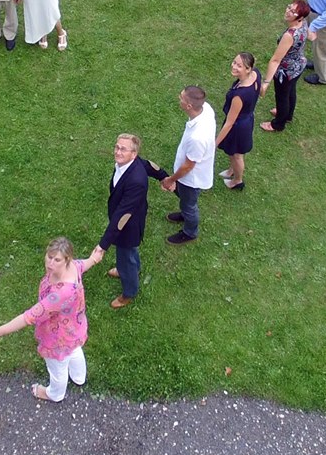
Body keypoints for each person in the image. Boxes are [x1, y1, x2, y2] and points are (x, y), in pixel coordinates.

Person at [0, 237, 103, 401]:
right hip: (75, 327)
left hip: (57, 338)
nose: (50, 263)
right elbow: (83, 265)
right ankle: (79, 377)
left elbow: (29, 317)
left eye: (57, 259)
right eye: (49, 256)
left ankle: (55, 394)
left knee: (58, 369)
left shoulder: (60, 294)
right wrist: (93, 259)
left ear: (66, 260)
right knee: (74, 349)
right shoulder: (72, 266)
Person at [95, 134, 167, 309]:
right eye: (117, 147)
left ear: (133, 154)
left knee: (125, 253)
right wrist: (164, 177)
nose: (118, 152)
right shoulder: (133, 162)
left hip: (128, 226)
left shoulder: (136, 181)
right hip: (127, 220)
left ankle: (129, 292)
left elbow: (122, 215)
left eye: (123, 149)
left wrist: (102, 246)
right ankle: (130, 269)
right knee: (128, 254)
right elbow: (149, 165)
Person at [162, 86, 216, 244]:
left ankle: (190, 231)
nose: (179, 99)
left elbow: (188, 166)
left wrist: (171, 180)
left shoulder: (198, 137)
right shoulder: (205, 109)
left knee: (189, 204)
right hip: (191, 172)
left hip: (192, 178)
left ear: (189, 106)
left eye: (181, 98)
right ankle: (185, 214)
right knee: (186, 200)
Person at [260, 0, 311, 133]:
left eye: (293, 11)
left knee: (282, 96)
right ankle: (288, 115)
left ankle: (278, 124)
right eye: (289, 7)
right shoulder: (303, 24)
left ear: (299, 17)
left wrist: (266, 82)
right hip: (299, 64)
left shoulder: (289, 36)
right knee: (290, 91)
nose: (288, 11)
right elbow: (311, 36)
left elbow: (276, 60)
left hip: (286, 71)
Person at [214, 53, 262, 191]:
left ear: (248, 69)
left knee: (237, 155)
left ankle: (237, 181)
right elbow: (261, 90)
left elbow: (230, 122)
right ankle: (231, 170)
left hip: (238, 127)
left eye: (239, 66)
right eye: (234, 62)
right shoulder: (256, 74)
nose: (234, 66)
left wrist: (215, 143)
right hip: (246, 118)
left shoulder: (239, 96)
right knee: (233, 152)